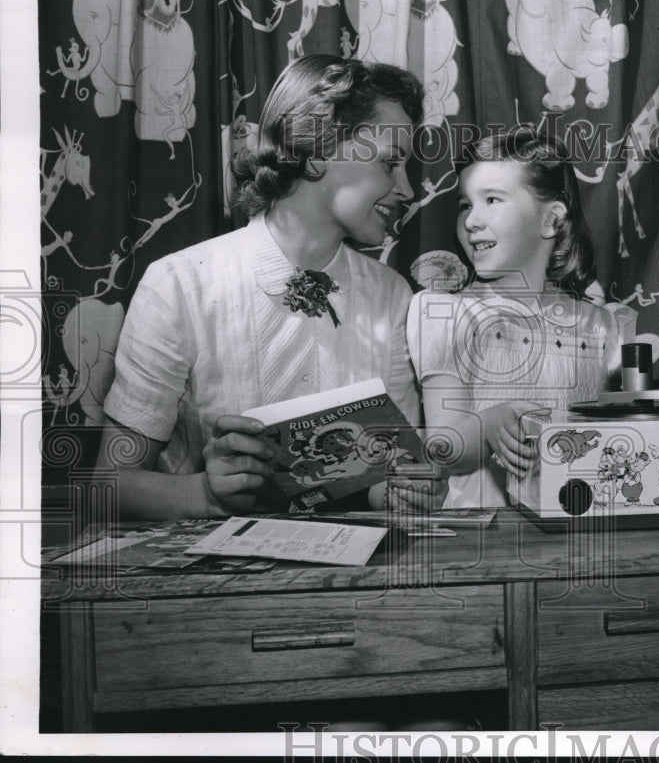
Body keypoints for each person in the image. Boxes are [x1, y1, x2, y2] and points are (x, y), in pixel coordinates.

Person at [97, 54, 446, 519]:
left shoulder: (392, 294)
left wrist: (407, 489)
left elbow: (388, 476)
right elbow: (107, 486)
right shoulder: (179, 283)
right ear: (319, 146)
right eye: (391, 162)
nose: (407, 189)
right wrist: (203, 494)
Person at [407, 129, 637, 508]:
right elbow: (442, 446)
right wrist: (487, 425)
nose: (471, 221)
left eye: (492, 200)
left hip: (579, 527)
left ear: (551, 219)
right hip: (482, 536)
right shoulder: (446, 315)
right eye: (465, 205)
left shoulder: (605, 327)